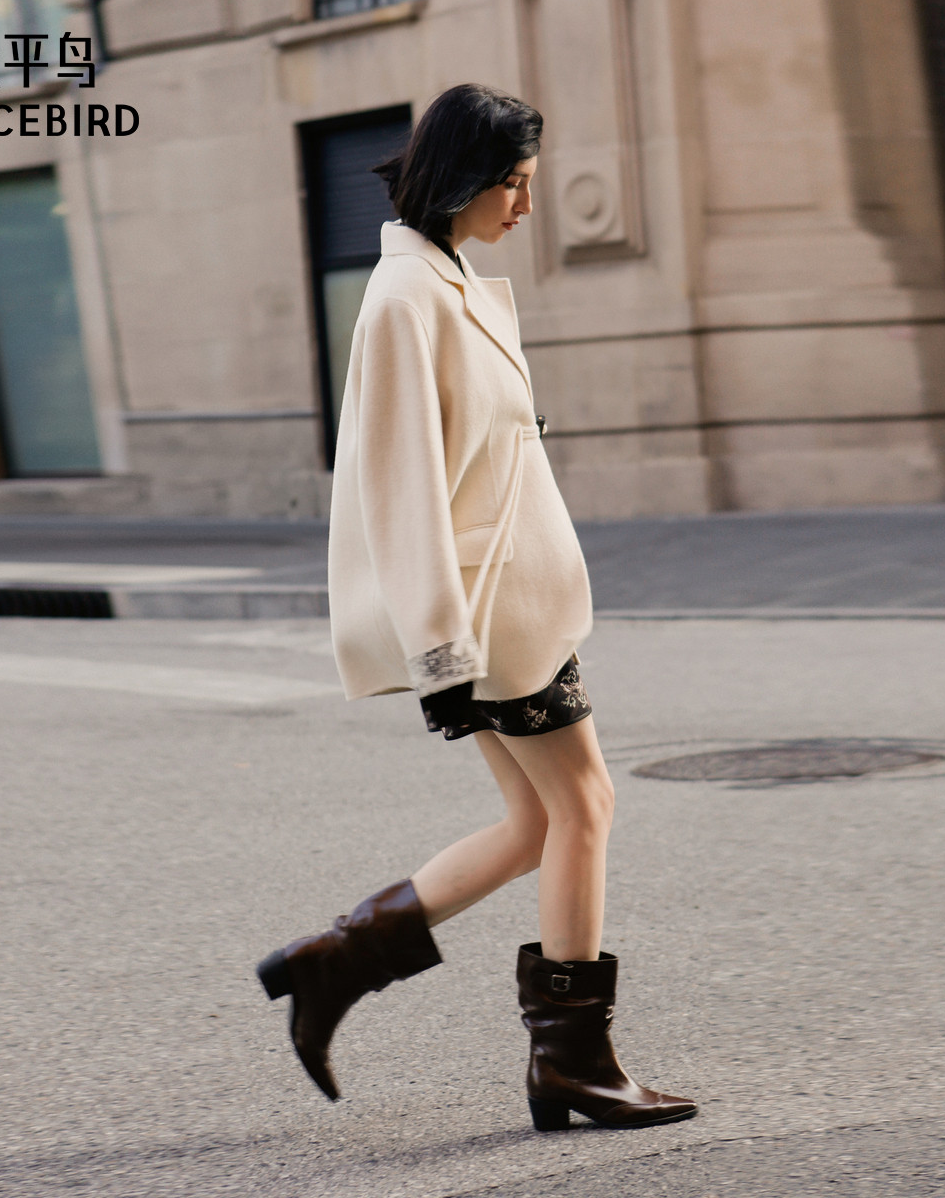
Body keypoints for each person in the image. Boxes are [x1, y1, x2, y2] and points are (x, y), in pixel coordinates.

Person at [256, 83, 696, 1133]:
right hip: (489, 615)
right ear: (465, 180)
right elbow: (399, 489)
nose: (527, 205)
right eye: (516, 184)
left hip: (507, 605)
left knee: (540, 820)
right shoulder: (404, 298)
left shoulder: (446, 278)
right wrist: (443, 655)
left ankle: (334, 963)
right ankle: (573, 1061)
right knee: (584, 808)